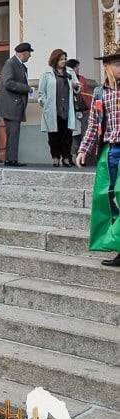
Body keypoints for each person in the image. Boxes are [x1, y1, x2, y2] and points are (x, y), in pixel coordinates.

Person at [76, 44, 120, 268]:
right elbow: (93, 125)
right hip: (110, 150)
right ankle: (118, 247)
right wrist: (83, 149)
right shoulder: (100, 93)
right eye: (116, 63)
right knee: (107, 197)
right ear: (106, 67)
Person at [0, 43, 34, 167]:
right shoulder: (10, 64)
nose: (30, 56)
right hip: (11, 105)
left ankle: (12, 159)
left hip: (15, 105)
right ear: (23, 53)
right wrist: (27, 88)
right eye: (29, 53)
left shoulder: (20, 66)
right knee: (13, 132)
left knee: (14, 133)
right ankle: (10, 160)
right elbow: (8, 83)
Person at [38, 49, 80, 167]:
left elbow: (78, 87)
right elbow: (41, 93)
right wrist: (45, 104)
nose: (63, 61)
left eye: (65, 59)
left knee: (67, 135)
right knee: (53, 135)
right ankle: (55, 157)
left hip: (67, 108)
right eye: (61, 59)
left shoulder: (70, 71)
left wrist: (76, 86)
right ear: (55, 60)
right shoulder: (47, 73)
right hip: (52, 109)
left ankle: (66, 157)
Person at [66, 58, 92, 153]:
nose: (78, 69)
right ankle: (73, 154)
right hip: (73, 110)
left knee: (85, 133)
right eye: (76, 67)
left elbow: (86, 93)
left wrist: (90, 106)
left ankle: (82, 154)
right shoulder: (66, 78)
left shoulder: (81, 78)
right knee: (74, 134)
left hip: (84, 109)